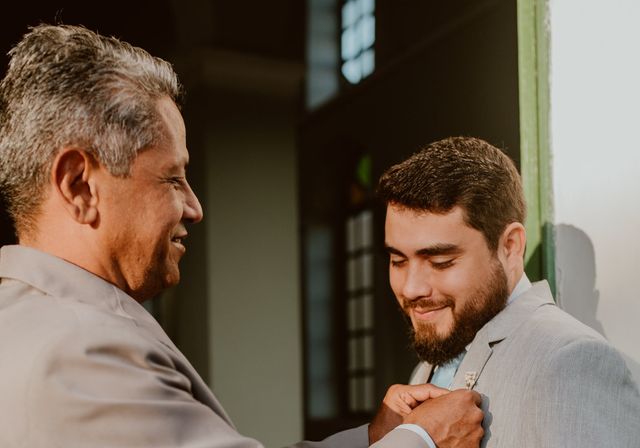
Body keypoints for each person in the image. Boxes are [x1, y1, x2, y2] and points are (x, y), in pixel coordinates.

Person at [0, 24, 484, 448]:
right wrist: (422, 442)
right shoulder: (78, 352)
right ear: (79, 185)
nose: (195, 208)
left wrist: (377, 438)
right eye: (172, 178)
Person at [377, 136, 640, 447]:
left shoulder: (570, 362)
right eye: (398, 260)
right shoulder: (426, 369)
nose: (411, 288)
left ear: (510, 246)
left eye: (440, 261)